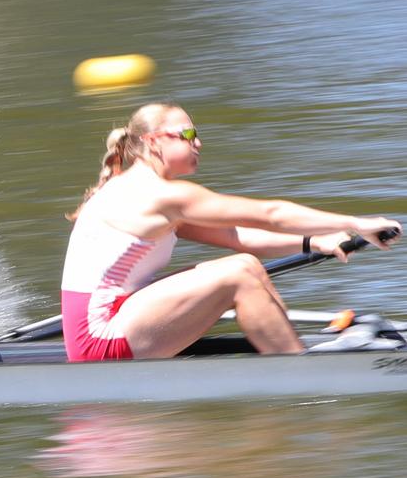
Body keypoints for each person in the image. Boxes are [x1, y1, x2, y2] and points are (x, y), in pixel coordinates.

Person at [61, 102, 400, 361]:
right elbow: (270, 214)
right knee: (237, 274)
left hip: (118, 320)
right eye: (188, 134)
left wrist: (315, 242)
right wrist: (356, 223)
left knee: (246, 264)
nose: (199, 143)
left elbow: (237, 236)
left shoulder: (148, 193)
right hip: (98, 339)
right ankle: (296, 369)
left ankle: (285, 352)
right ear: (152, 142)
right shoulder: (159, 195)